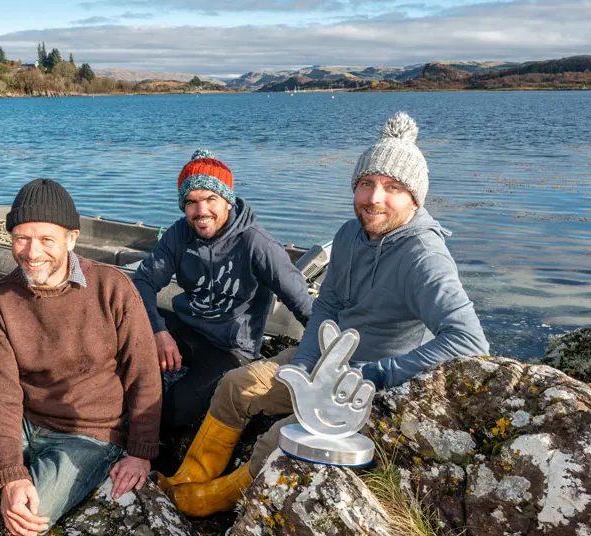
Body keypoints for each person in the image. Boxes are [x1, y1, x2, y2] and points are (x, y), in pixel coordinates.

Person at [159, 112, 490, 517]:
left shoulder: (424, 256)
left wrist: (379, 374)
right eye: (366, 184)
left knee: (280, 439)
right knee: (235, 385)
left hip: (364, 384)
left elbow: (469, 341)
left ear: (415, 198)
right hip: (323, 363)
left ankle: (216, 500)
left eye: (392, 188)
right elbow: (329, 306)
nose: (374, 198)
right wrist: (302, 364)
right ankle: (189, 476)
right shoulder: (350, 234)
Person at [0, 179, 162, 536]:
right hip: (23, 418)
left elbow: (143, 374)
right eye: (21, 238)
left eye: (46, 239)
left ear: (71, 238)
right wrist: (9, 474)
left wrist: (140, 452)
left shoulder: (113, 289)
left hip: (90, 433)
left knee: (33, 516)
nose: (32, 252)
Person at [132, 149, 314, 431]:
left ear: (227, 200)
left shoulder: (258, 245)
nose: (201, 211)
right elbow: (142, 282)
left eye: (210, 199)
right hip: (185, 328)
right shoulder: (180, 233)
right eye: (191, 202)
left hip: (229, 349)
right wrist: (158, 330)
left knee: (169, 412)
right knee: (120, 335)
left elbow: (303, 304)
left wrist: (330, 356)